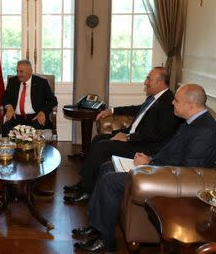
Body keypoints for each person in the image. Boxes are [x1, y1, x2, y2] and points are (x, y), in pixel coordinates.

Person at [72, 84, 216, 252]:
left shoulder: (204, 132)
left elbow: (189, 173)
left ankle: (106, 242)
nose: (172, 103)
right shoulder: (192, 122)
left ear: (190, 105)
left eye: (176, 101)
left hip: (168, 181)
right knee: (107, 167)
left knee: (110, 181)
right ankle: (98, 227)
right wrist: (151, 159)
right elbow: (173, 153)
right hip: (161, 169)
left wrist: (150, 166)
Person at [64, 67, 181, 204]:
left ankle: (87, 192)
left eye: (149, 79)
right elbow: (137, 109)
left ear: (160, 82)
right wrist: (112, 110)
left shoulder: (168, 103)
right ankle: (85, 183)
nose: (145, 82)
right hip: (134, 137)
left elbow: (158, 135)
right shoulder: (155, 98)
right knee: (97, 139)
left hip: (144, 146)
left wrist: (128, 138)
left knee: (102, 147)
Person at [1, 59, 58, 137]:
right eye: (17, 71)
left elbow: (53, 100)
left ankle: (33, 149)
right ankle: (10, 149)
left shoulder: (41, 83)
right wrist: (9, 106)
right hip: (16, 117)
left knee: (32, 132)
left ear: (30, 71)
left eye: (21, 71)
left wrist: (43, 112)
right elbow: (4, 98)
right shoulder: (13, 81)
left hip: (35, 117)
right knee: (5, 128)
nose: (18, 74)